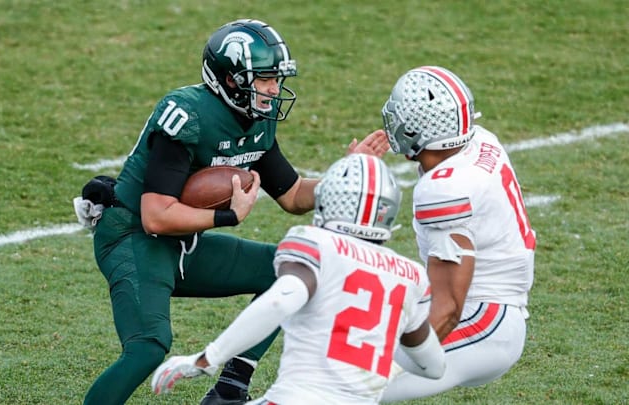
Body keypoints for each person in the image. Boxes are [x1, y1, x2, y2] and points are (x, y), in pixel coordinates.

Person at [73, 19, 389, 405]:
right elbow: (155, 214)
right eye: (266, 79)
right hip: (134, 238)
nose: (275, 89)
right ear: (232, 79)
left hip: (182, 243)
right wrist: (226, 216)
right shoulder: (186, 114)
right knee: (148, 348)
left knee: (284, 269)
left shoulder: (258, 120)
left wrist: (345, 173)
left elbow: (291, 195)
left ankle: (230, 390)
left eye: (277, 78)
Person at [150, 153, 446, 405]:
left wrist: (206, 359)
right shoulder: (410, 275)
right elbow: (434, 366)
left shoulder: (315, 243)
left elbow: (280, 301)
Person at [378, 66, 536, 401]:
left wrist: (381, 370)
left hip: (483, 321)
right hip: (484, 309)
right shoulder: (480, 140)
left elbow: (448, 307)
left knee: (342, 383)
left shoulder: (444, 189)